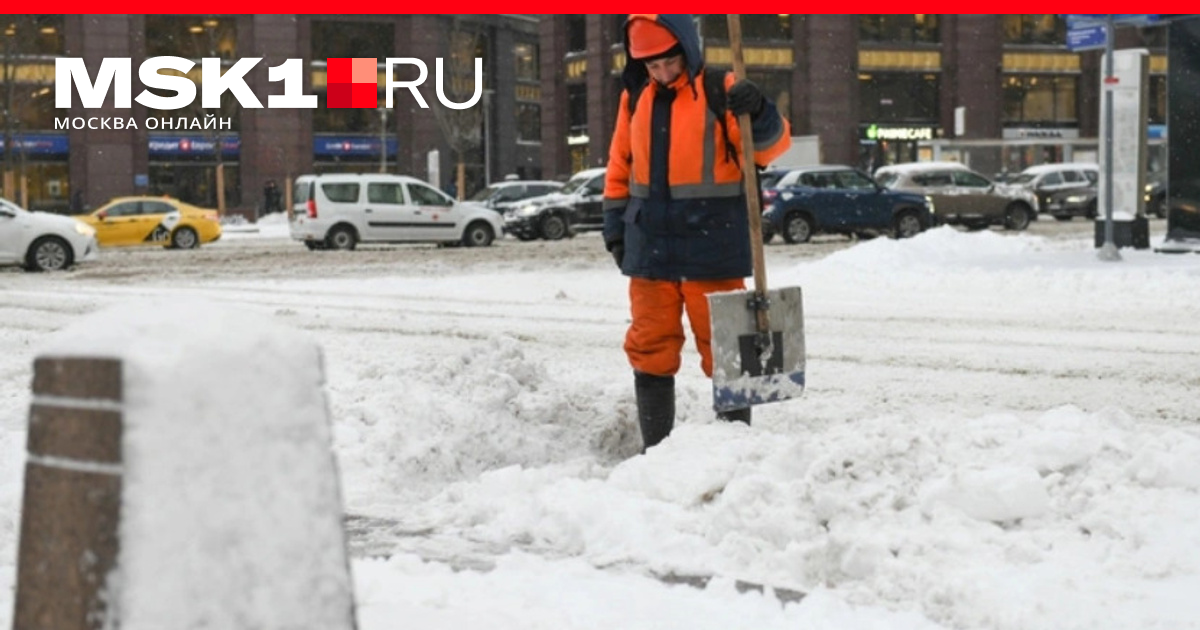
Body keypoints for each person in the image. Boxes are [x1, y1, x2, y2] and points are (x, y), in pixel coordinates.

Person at [602, 14, 791, 451]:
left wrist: (758, 111)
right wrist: (615, 230)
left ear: (686, 49)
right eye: (652, 66)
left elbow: (771, 149)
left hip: (714, 248)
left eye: (670, 62)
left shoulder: (719, 91)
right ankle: (657, 453)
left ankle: (733, 451)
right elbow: (619, 169)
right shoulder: (634, 100)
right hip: (650, 249)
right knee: (650, 347)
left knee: (728, 352)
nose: (663, 73)